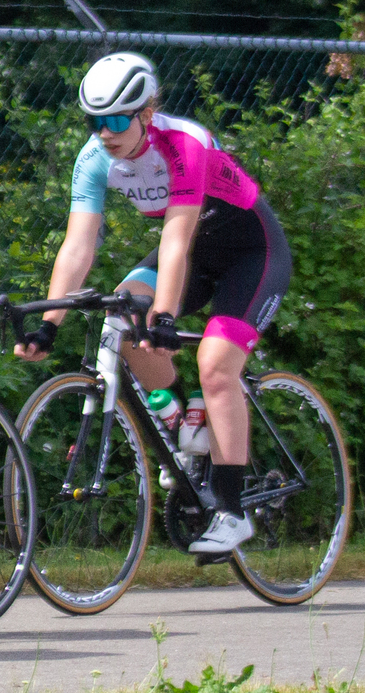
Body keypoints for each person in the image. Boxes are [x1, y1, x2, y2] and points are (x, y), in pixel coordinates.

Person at [15, 52, 288, 557]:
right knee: (119, 321)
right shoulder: (94, 158)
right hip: (192, 254)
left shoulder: (185, 144)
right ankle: (183, 422)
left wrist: (163, 315)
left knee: (216, 365)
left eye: (117, 119)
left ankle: (232, 511)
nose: (104, 132)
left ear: (146, 112)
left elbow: (176, 238)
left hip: (251, 252)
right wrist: (50, 321)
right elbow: (78, 246)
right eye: (94, 121)